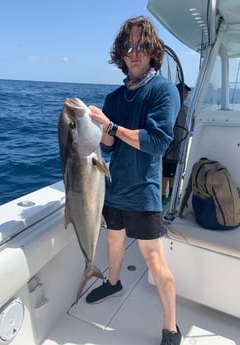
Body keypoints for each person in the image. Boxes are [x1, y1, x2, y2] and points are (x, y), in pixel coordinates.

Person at [87, 16, 182, 345]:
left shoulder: (163, 91)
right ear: (121, 53)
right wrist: (97, 127)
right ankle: (114, 283)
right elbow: (109, 145)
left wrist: (112, 127)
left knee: (154, 260)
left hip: (144, 193)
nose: (134, 52)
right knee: (112, 243)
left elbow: (157, 142)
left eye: (141, 45)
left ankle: (171, 328)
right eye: (128, 46)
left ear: (152, 50)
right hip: (115, 189)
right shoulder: (113, 98)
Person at [162, 82, 191, 205]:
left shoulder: (187, 110)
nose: (186, 94)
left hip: (180, 148)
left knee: (175, 172)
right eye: (183, 91)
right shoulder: (169, 107)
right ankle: (163, 196)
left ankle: (171, 195)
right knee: (165, 174)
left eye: (186, 92)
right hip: (169, 148)